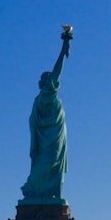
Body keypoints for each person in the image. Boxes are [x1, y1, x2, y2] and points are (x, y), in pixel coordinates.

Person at [20, 36, 72, 202]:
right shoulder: (45, 96)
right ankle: (34, 189)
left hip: (54, 137)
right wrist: (63, 51)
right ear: (42, 83)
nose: (53, 81)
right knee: (49, 164)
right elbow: (56, 72)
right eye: (48, 78)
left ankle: (51, 193)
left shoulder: (45, 99)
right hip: (47, 140)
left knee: (56, 166)